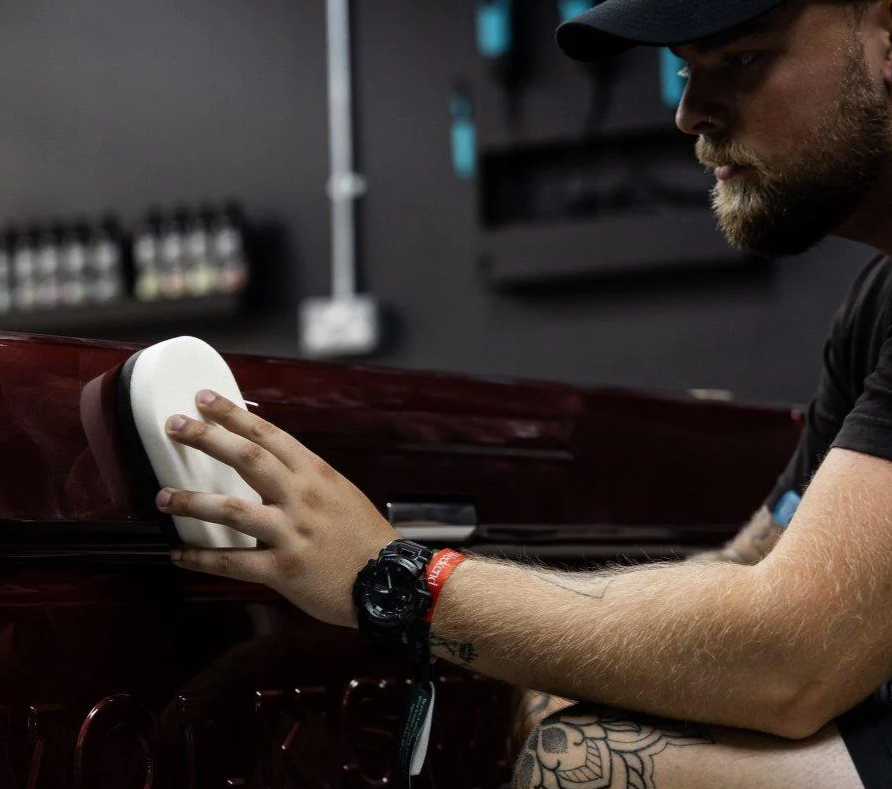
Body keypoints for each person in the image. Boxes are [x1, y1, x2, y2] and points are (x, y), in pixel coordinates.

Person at [155, 0, 892, 785]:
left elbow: (785, 658)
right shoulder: (877, 300)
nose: (689, 114)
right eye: (684, 70)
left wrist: (394, 579)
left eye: (740, 60)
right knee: (558, 699)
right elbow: (752, 563)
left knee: (585, 763)